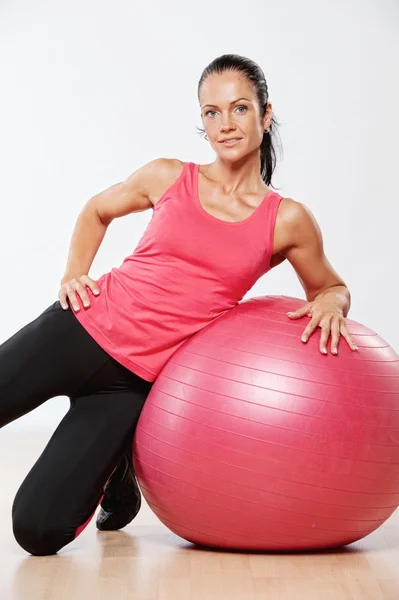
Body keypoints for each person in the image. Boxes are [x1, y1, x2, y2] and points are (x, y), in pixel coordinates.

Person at [0, 54, 358, 557]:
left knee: (37, 533)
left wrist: (332, 303)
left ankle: (114, 476)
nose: (225, 124)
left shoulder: (288, 220)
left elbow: (330, 286)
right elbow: (97, 210)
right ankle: (112, 463)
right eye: (211, 113)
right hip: (75, 331)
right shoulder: (168, 176)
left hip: (131, 384)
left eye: (238, 108)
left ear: (265, 113)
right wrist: (73, 273)